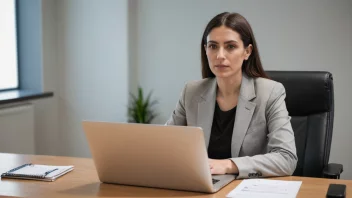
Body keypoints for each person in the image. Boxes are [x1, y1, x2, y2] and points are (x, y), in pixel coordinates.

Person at [166, 12, 297, 179]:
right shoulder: (191, 92)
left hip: (247, 189)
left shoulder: (270, 93)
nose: (220, 55)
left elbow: (286, 158)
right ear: (205, 50)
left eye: (230, 46)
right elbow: (165, 145)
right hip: (202, 186)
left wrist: (229, 165)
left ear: (247, 52)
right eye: (213, 46)